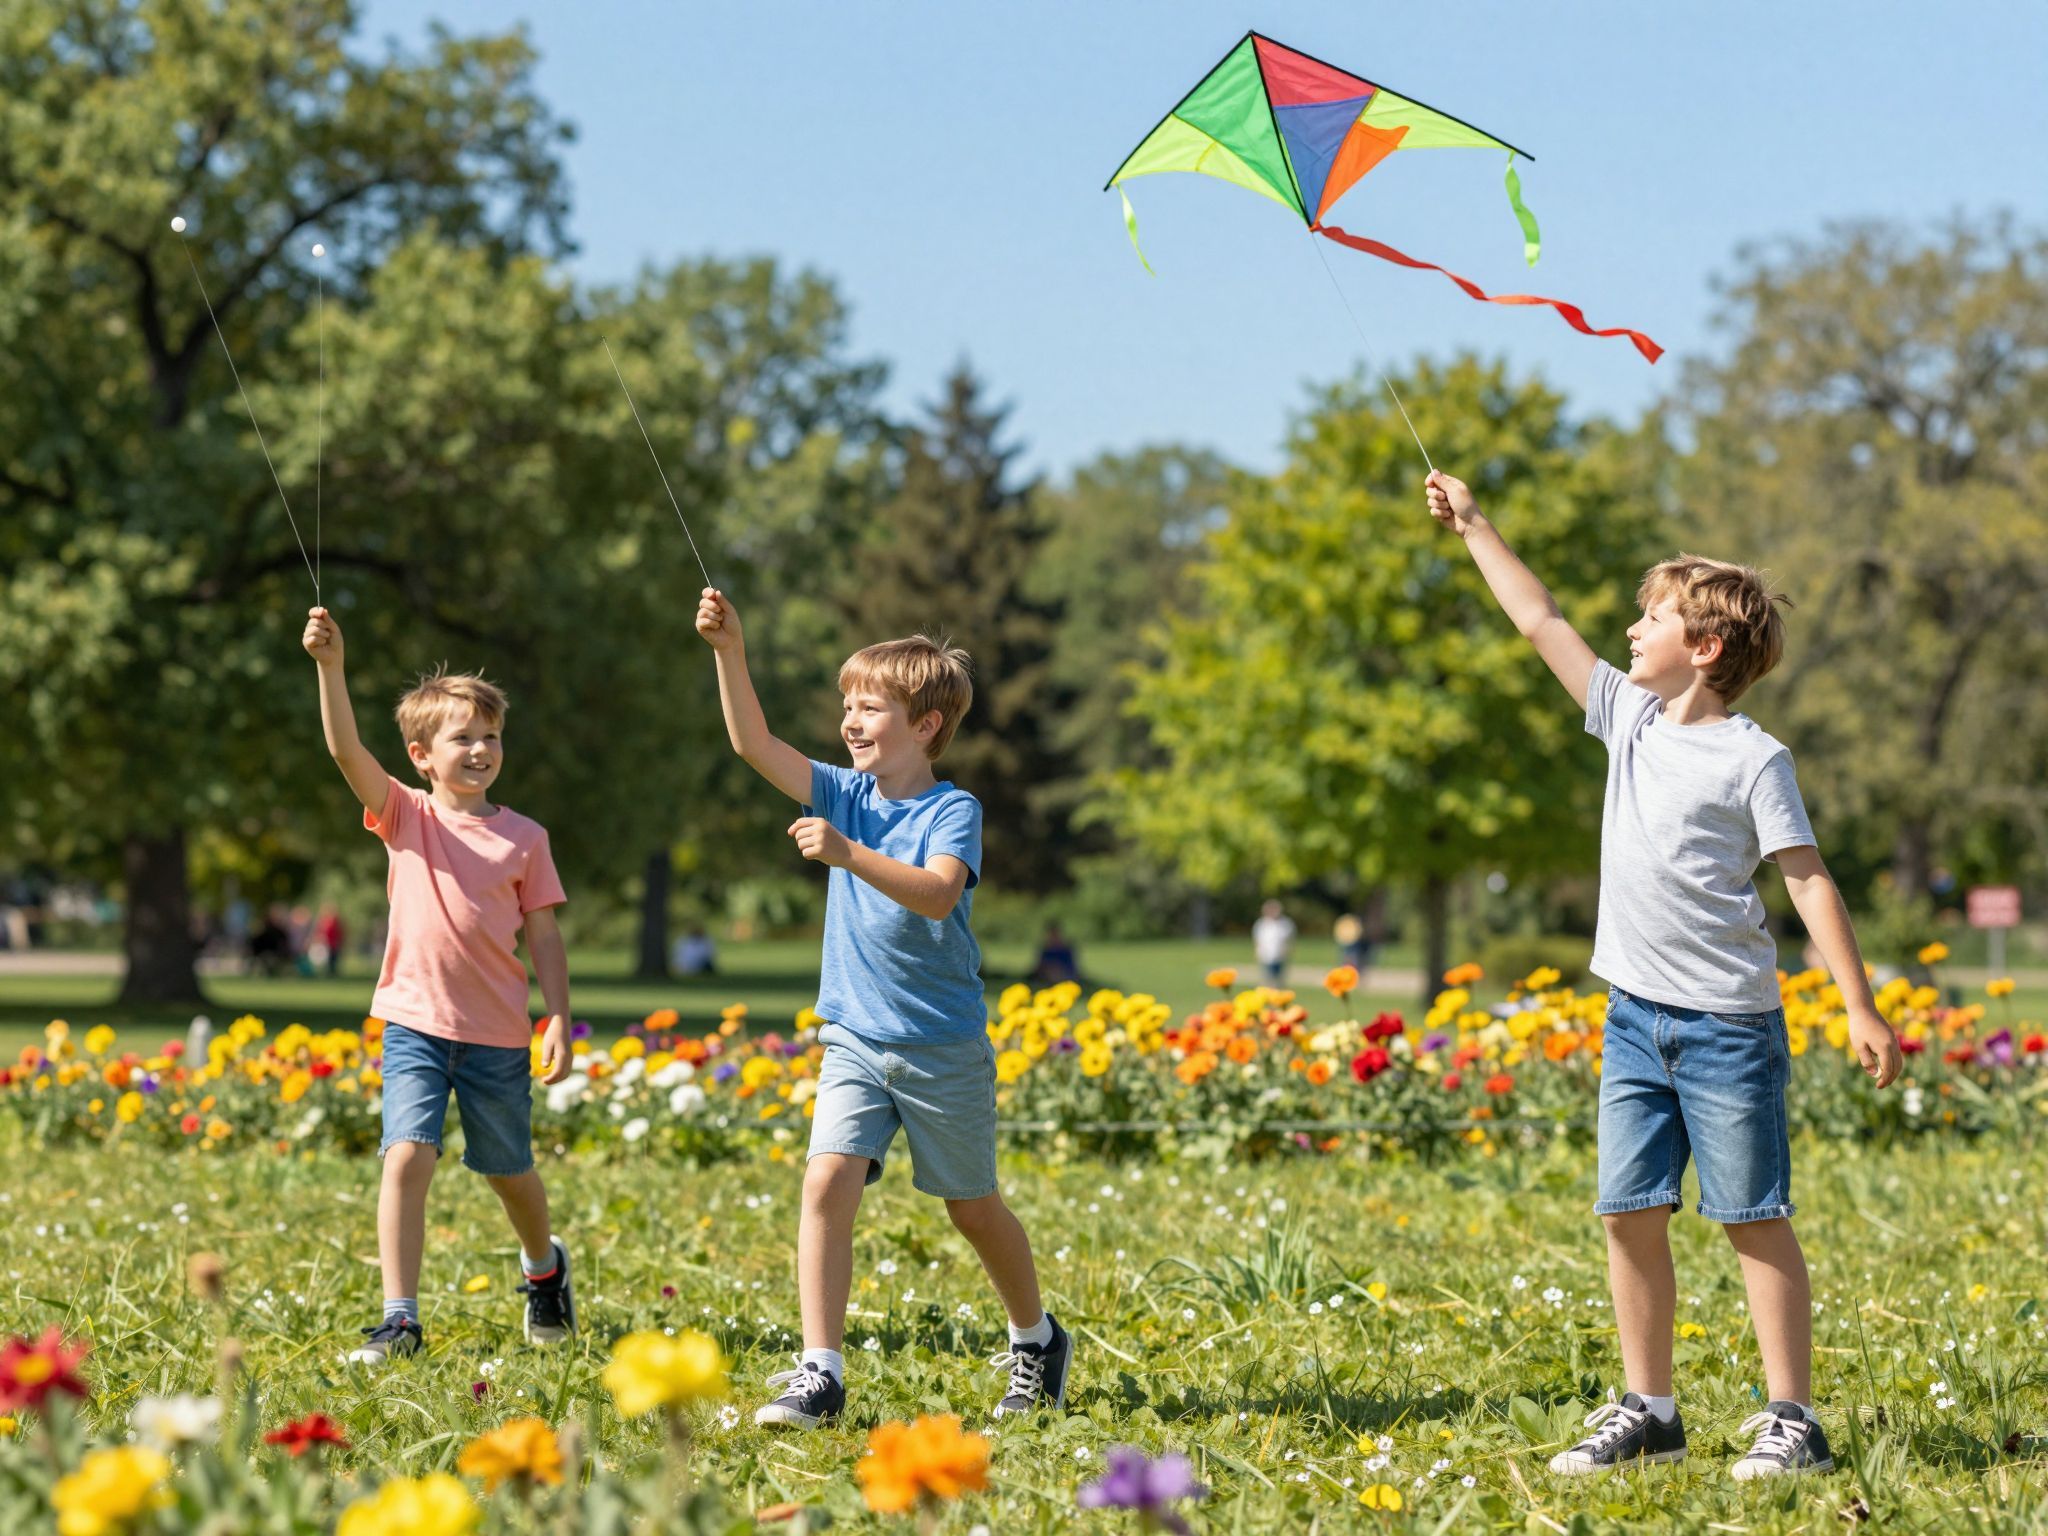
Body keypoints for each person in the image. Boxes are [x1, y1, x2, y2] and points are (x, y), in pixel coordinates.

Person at [1426, 472, 1901, 1480]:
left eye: (1649, 618)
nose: (1627, 631)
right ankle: (1648, 1408)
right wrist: (1473, 524)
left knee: (1748, 1216)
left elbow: (1806, 881)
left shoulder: (1752, 761)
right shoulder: (1624, 721)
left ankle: (1792, 1419)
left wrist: (1856, 1004)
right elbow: (1535, 617)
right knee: (1625, 1211)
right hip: (1632, 1021)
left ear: (1704, 648)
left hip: (1727, 1026)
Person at [695, 587, 1071, 1430]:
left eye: (870, 708)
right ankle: (820, 1372)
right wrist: (730, 650)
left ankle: (1036, 1338)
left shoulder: (951, 810)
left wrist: (848, 852)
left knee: (972, 1208)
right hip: (857, 1038)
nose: (850, 722)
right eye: (847, 707)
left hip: (941, 1047)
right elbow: (752, 742)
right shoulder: (843, 791)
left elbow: (937, 896)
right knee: (826, 1179)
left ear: (927, 725)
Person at [302, 606, 576, 1367]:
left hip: (494, 1032)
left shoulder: (525, 838)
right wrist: (332, 667)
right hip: (414, 1023)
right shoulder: (405, 815)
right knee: (406, 1155)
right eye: (464, 738)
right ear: (422, 755)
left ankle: (544, 1269)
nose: (482, 749)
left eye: (491, 737)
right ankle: (400, 1320)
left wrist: (558, 1017)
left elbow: (545, 936)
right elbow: (343, 747)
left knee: (508, 1171)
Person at [1251, 899, 1295, 986]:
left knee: (1279, 979)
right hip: (1265, 955)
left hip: (1280, 955)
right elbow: (1257, 940)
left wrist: (1287, 951)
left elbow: (1290, 940)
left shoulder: (1285, 923)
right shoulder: (1261, 924)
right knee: (1267, 979)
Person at [1029, 921, 1080, 986]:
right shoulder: (1045, 950)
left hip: (1064, 974)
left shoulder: (1066, 949)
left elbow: (1071, 968)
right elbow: (1039, 965)